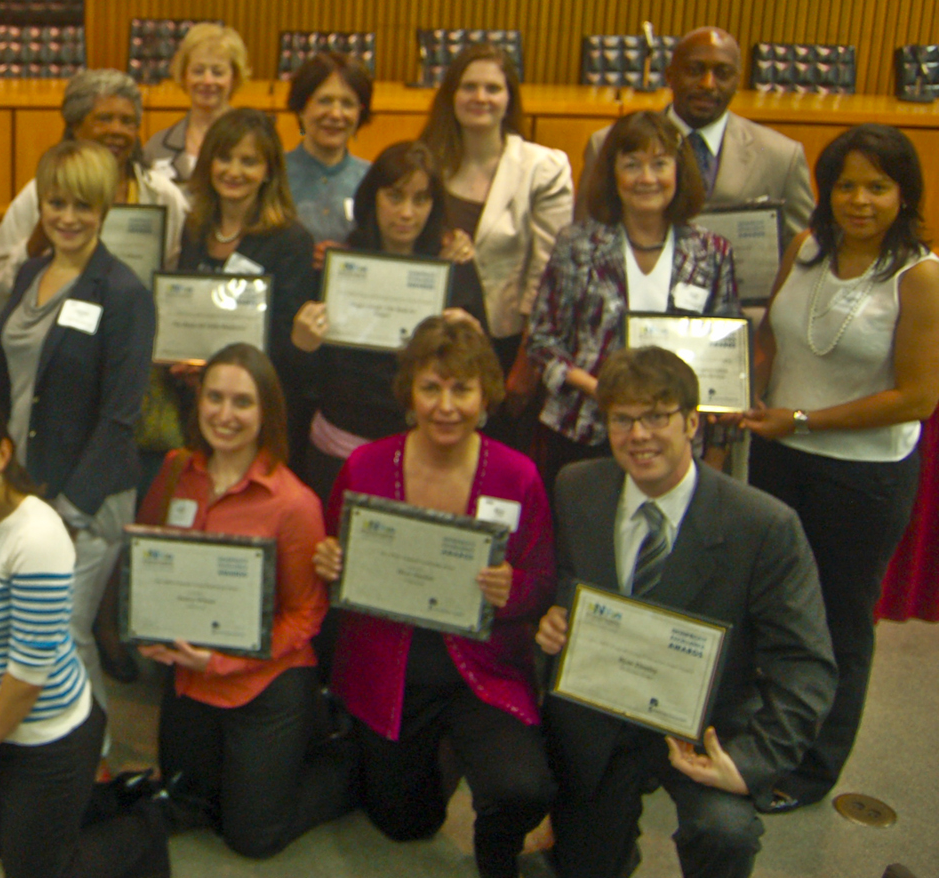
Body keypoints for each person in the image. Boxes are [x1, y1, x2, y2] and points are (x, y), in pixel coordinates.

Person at [538, 346, 836, 878]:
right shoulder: (577, 487)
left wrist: (750, 763)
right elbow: (565, 578)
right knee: (585, 865)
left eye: (657, 417)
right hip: (603, 707)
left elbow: (806, 665)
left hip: (708, 723)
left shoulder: (764, 526)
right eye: (622, 419)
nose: (639, 435)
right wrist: (557, 616)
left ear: (692, 423)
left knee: (725, 831)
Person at [736, 124, 938, 812]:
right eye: (846, 185)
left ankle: (814, 765)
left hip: (862, 477)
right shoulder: (806, 247)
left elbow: (917, 397)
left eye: (878, 186)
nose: (860, 200)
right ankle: (762, 731)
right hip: (779, 456)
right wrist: (746, 386)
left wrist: (803, 420)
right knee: (772, 603)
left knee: (839, 622)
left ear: (904, 194)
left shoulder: (920, 276)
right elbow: (772, 336)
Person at [313, 317, 555, 878]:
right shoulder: (366, 466)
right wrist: (328, 563)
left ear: (485, 395)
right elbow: (333, 556)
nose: (446, 406)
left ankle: (495, 844)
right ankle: (442, 757)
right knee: (403, 823)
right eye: (431, 388)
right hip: (389, 665)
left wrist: (512, 588)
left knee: (522, 788)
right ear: (409, 394)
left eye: (461, 389)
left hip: (481, 666)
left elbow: (542, 579)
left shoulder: (517, 476)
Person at [0, 388, 171, 878]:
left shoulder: (37, 535)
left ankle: (144, 828)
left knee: (35, 872)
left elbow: (28, 672)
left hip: (47, 734)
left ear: (3, 452)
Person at [136, 343, 351, 858]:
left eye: (242, 402)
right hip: (191, 678)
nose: (225, 415)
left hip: (266, 682)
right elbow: (147, 553)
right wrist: (146, 624)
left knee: (252, 836)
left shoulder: (293, 503)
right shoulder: (175, 471)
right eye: (215, 397)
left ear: (266, 412)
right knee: (187, 802)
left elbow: (306, 613)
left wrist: (222, 660)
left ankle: (347, 766)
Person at [0, 140, 155, 715]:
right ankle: (43, 746)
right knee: (24, 635)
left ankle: (93, 751)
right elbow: (5, 380)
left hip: (86, 499)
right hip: (22, 487)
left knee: (63, 637)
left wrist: (70, 510)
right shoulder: (29, 273)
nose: (67, 217)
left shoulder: (125, 294)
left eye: (83, 205)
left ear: (105, 207)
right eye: (56, 202)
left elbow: (120, 418)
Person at [527, 110, 739, 492]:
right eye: (632, 165)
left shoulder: (711, 253)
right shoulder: (577, 245)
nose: (646, 178)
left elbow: (725, 360)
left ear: (679, 171)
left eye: (660, 164)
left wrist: (717, 452)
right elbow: (543, 341)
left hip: (675, 440)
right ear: (613, 174)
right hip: (586, 429)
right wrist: (601, 389)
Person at [290, 141, 487, 500]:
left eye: (421, 199)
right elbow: (309, 379)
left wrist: (474, 343)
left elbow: (486, 378)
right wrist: (303, 345)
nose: (407, 213)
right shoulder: (338, 265)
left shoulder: (455, 267)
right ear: (372, 197)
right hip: (341, 446)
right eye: (395, 197)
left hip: (426, 453)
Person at [418, 42, 574, 380]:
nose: (480, 97)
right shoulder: (426, 162)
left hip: (508, 342)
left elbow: (547, 273)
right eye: (469, 87)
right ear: (451, 96)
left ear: (509, 99)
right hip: (430, 334)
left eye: (493, 88)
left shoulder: (543, 169)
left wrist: (526, 362)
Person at [172, 108, 319, 463]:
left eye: (249, 161)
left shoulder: (290, 240)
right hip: (200, 406)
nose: (234, 171)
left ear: (269, 171)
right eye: (224, 158)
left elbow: (288, 343)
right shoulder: (195, 229)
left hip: (258, 412)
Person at [0, 69, 189, 314]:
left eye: (127, 121)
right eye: (104, 119)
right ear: (75, 126)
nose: (117, 130)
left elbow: (178, 279)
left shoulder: (163, 195)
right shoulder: (41, 194)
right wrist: (34, 246)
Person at [584, 27, 814, 235]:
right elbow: (585, 235)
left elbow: (802, 251)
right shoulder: (606, 144)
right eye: (694, 70)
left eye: (723, 73)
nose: (707, 84)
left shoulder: (782, 158)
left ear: (737, 81)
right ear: (669, 75)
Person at [283, 51, 376, 244]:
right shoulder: (275, 173)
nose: (335, 114)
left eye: (347, 104)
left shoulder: (373, 179)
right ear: (301, 108)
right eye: (325, 101)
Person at [141, 23, 249, 185]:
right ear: (184, 76)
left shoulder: (253, 142)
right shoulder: (157, 147)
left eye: (217, 72)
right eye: (198, 71)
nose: (207, 81)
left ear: (234, 78)